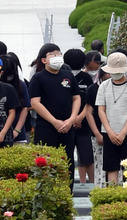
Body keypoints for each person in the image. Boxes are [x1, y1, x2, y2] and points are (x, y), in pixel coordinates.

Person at [29, 43, 81, 187]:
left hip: (67, 126)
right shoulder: (38, 78)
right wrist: (54, 121)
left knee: (67, 161)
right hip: (46, 127)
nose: (57, 56)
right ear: (44, 60)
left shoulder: (68, 75)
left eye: (58, 53)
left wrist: (71, 119)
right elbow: (35, 103)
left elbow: (76, 98)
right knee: (46, 162)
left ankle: (68, 192)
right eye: (52, 54)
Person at [96, 51, 127, 184]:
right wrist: (109, 131)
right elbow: (101, 109)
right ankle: (113, 194)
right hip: (109, 132)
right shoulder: (104, 86)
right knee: (111, 167)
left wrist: (123, 133)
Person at [64, 47, 94, 183]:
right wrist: (72, 119)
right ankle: (78, 182)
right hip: (66, 123)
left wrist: (80, 117)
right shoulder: (64, 77)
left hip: (84, 123)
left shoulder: (86, 78)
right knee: (67, 155)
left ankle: (91, 183)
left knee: (86, 155)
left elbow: (89, 101)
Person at [84, 65, 107, 186]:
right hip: (97, 132)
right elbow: (89, 113)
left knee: (118, 165)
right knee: (99, 165)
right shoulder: (93, 89)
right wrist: (97, 134)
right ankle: (100, 189)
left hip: (117, 133)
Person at [1, 53, 30, 142]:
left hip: (18, 133)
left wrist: (17, 130)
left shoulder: (21, 85)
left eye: (11, 74)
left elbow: (25, 108)